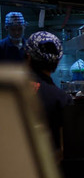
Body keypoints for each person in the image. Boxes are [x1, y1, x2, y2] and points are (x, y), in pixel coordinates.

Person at [25, 31, 72, 161]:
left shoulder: (12, 92)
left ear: (28, 57)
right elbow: (67, 146)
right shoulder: (61, 98)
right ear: (57, 62)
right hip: (47, 169)